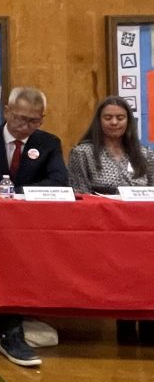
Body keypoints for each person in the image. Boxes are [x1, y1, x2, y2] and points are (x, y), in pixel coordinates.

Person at [0, 86, 68, 367]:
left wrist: (10, 191)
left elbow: (59, 182)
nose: (25, 126)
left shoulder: (48, 143)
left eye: (34, 121)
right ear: (6, 112)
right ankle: (7, 325)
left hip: (32, 228)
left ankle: (14, 321)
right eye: (20, 118)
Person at [68, 95, 154, 346]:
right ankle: (124, 325)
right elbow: (79, 194)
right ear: (99, 121)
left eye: (120, 117)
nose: (114, 122)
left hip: (142, 229)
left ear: (129, 121)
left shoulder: (145, 154)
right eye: (108, 117)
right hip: (105, 229)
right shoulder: (82, 153)